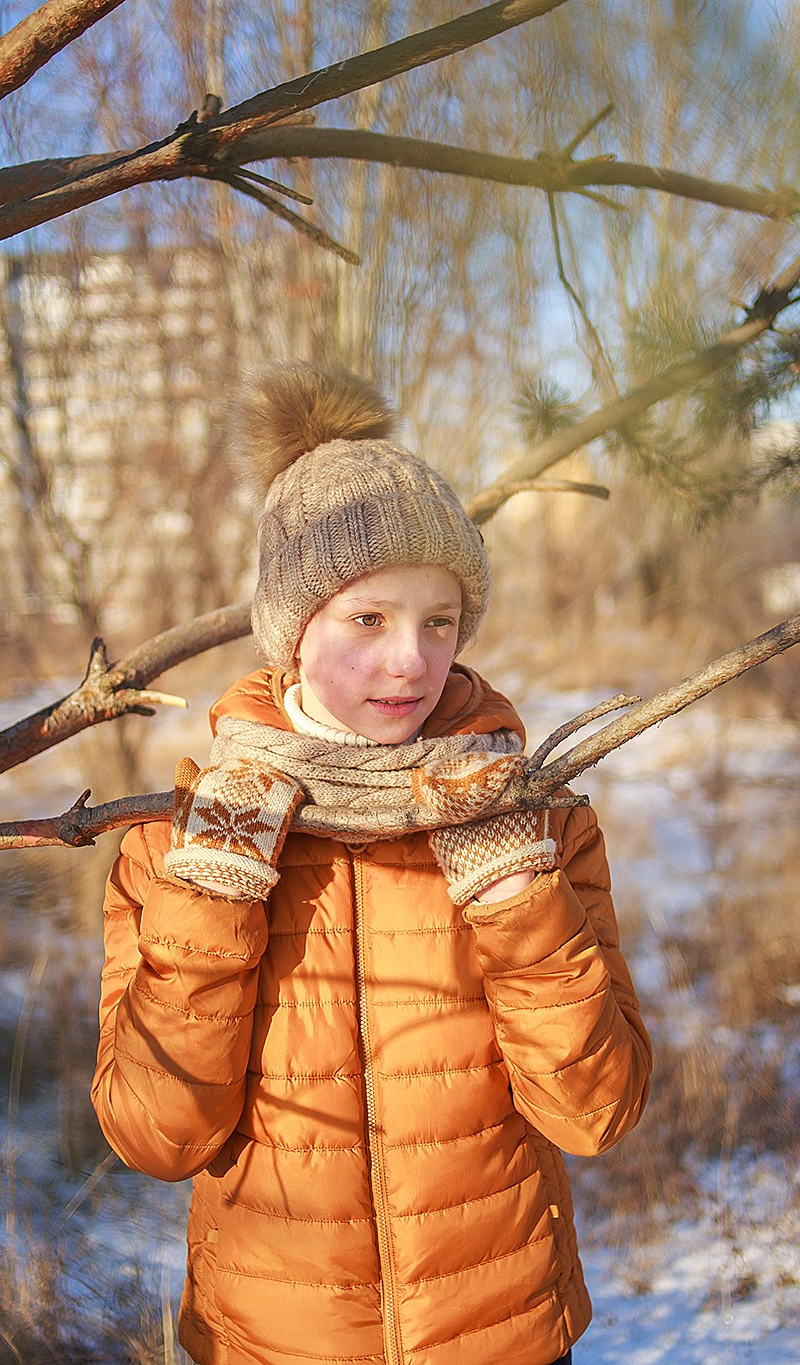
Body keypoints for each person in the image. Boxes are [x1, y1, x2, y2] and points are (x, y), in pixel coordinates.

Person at [92, 363, 653, 1365]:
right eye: (367, 620)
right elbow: (154, 1135)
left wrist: (514, 892)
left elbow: (594, 1112)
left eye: (437, 622)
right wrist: (218, 892)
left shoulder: (534, 816)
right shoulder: (179, 835)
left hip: (503, 1337)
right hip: (269, 1343)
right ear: (289, 627)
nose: (410, 661)